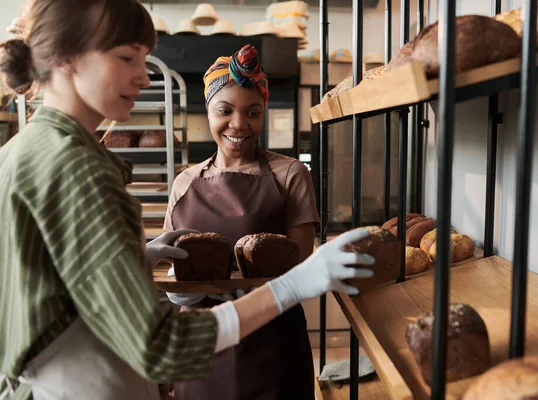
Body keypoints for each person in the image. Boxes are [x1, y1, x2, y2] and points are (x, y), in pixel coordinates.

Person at [0, 1, 376, 399]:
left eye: (144, 59)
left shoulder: (19, 151)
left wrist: (135, 261)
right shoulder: (80, 169)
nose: (145, 78)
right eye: (127, 57)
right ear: (65, 58)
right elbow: (160, 346)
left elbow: (42, 287)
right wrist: (294, 284)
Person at [161, 44, 322, 399]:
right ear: (208, 111)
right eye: (225, 110)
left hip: (271, 344)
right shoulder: (185, 182)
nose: (239, 124)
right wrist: (180, 290)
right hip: (202, 346)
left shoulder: (290, 174)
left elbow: (301, 271)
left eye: (253, 112)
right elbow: (173, 268)